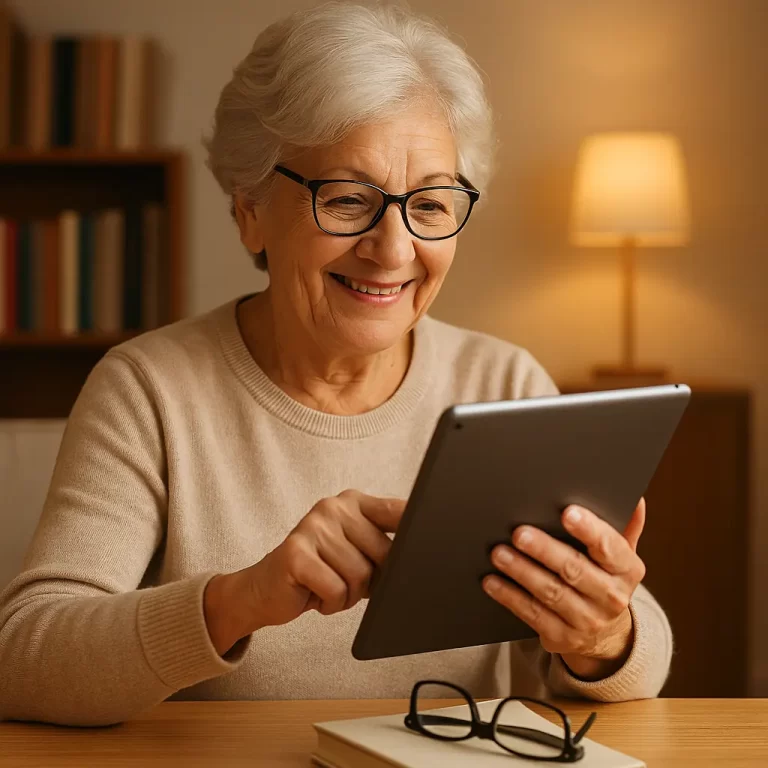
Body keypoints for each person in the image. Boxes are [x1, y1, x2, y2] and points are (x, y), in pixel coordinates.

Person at [0, 1, 671, 727]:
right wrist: (238, 600)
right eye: (348, 200)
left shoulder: (504, 385)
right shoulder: (148, 390)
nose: (394, 249)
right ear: (250, 210)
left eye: (431, 204)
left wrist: (603, 634)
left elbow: (642, 661)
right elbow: (25, 659)